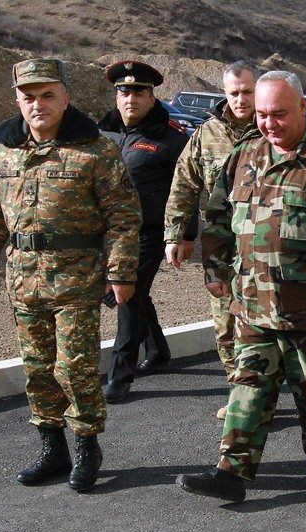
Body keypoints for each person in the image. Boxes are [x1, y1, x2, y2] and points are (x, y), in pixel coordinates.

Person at [0, 58, 142, 492]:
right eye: (28, 97)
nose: (37, 104)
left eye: (47, 95)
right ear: (17, 102)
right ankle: (52, 448)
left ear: (65, 98)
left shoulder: (96, 151)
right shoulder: (3, 150)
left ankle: (86, 445)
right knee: (38, 368)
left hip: (77, 278)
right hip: (23, 279)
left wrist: (121, 273)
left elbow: (123, 217)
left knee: (75, 366)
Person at [175, 71, 306, 502]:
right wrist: (215, 270)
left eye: (279, 114)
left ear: (304, 107)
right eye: (262, 114)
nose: (269, 124)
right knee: (248, 383)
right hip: (252, 300)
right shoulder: (245, 154)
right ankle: (231, 471)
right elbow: (218, 216)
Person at [165, 61, 257, 420]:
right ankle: (240, 394)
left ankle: (278, 392)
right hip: (222, 246)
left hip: (270, 245)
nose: (241, 99)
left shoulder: (273, 125)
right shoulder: (207, 135)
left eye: (247, 91)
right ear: (224, 93)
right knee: (225, 324)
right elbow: (184, 184)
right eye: (234, 93)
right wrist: (175, 234)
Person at [98, 60, 194, 404]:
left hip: (148, 233)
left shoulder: (171, 138)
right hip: (108, 234)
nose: (131, 99)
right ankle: (157, 349)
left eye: (139, 92)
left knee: (128, 296)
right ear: (116, 97)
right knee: (129, 294)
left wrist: (185, 234)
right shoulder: (102, 135)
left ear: (152, 98)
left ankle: (120, 374)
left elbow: (188, 188)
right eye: (124, 92)